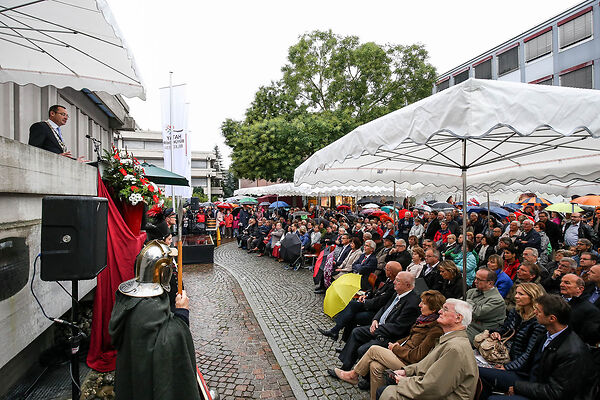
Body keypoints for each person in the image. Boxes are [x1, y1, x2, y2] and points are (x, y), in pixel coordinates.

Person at [109, 240, 201, 400]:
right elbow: (168, 346)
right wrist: (181, 314)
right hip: (146, 386)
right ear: (163, 272)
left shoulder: (130, 300)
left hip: (136, 378)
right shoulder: (148, 307)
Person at [330, 290, 446, 400]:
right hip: (402, 353)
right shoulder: (423, 319)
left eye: (424, 303)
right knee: (375, 366)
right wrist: (398, 343)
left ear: (434, 309)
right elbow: (410, 337)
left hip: (408, 363)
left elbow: (417, 356)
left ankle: (353, 375)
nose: (420, 305)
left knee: (373, 349)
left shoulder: (434, 329)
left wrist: (396, 348)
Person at [487, 295, 593, 400]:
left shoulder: (572, 352)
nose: (535, 313)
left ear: (552, 318)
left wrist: (519, 388)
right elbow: (530, 364)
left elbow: (555, 392)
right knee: (480, 373)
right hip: (529, 380)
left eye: (538, 311)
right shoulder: (546, 334)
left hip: (541, 391)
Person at [377, 298, 478, 400]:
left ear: (458, 318)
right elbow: (428, 364)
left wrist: (403, 381)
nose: (440, 311)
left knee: (386, 391)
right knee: (377, 369)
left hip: (438, 394)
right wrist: (407, 371)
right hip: (430, 387)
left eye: (445, 309)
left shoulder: (455, 348)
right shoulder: (451, 339)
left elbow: (434, 388)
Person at [336, 272, 420, 370]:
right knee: (356, 332)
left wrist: (377, 329)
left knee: (362, 349)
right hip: (379, 326)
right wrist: (375, 319)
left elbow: (398, 328)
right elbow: (384, 308)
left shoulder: (412, 303)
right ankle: (346, 367)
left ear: (408, 285)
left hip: (390, 337)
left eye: (398, 281)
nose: (394, 282)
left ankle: (364, 379)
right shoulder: (398, 293)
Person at [478, 283, 546, 398]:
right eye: (516, 293)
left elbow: (529, 354)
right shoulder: (516, 312)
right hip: (505, 357)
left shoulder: (537, 322)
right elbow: (505, 329)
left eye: (521, 294)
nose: (516, 296)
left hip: (521, 371)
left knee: (478, 372)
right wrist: (497, 333)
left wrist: (507, 367)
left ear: (532, 297)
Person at [320, 261, 403, 342]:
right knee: (352, 305)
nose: (384, 269)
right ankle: (335, 331)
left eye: (386, 269)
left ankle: (343, 339)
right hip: (372, 304)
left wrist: (365, 301)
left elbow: (381, 302)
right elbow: (377, 292)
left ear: (390, 272)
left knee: (353, 316)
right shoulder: (389, 280)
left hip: (376, 312)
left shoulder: (394, 286)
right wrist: (366, 296)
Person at [465, 268, 506, 343]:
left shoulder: (497, 301)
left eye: (479, 280)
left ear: (490, 283)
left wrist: (467, 302)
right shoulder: (471, 292)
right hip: (465, 326)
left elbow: (478, 313)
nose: (475, 281)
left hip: (479, 333)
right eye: (475, 278)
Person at [559, 273, 600, 345]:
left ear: (580, 289)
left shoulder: (589, 310)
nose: (561, 285)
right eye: (561, 281)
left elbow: (589, 337)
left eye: (567, 283)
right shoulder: (555, 300)